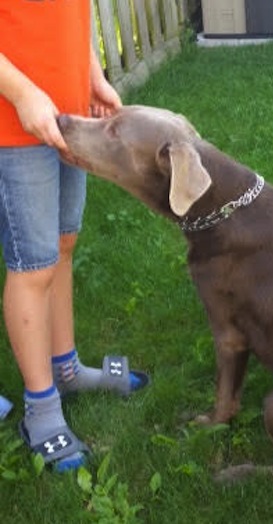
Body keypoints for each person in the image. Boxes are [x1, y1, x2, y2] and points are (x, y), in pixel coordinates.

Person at [0, 1, 149, 471]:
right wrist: (23, 95)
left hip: (66, 118)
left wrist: (91, 74)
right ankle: (40, 409)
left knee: (63, 246)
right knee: (33, 266)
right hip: (13, 126)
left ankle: (66, 370)